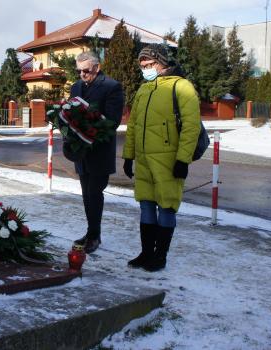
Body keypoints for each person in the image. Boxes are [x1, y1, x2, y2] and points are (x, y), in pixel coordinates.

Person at [122, 44, 201, 272]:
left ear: (162, 63)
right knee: (146, 206)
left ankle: (160, 256)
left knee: (166, 208)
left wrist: (183, 160)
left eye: (149, 64)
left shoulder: (181, 86)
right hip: (145, 160)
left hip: (169, 160)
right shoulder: (144, 90)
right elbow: (133, 126)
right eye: (142, 65)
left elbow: (191, 127)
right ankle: (146, 253)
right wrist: (129, 156)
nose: (145, 69)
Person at [69, 51, 124, 253]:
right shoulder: (75, 86)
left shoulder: (112, 87)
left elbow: (112, 121)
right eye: (79, 71)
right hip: (81, 152)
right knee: (86, 194)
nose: (82, 74)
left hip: (99, 151)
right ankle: (91, 231)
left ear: (97, 67)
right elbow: (69, 112)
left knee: (94, 193)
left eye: (86, 70)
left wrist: (88, 126)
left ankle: (94, 236)